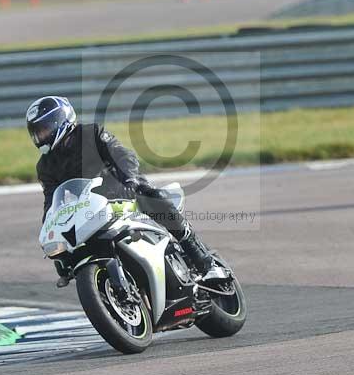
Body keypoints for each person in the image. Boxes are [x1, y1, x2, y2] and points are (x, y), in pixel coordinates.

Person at [26, 96, 214, 280]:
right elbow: (51, 201)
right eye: (36, 132)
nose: (40, 136)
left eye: (44, 129)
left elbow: (122, 155)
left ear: (61, 120)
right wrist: (50, 228)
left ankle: (196, 251)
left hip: (122, 189)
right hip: (90, 206)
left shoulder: (91, 133)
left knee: (151, 196)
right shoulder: (45, 166)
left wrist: (130, 181)